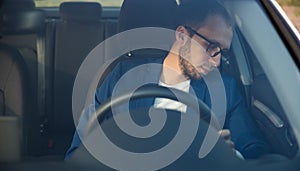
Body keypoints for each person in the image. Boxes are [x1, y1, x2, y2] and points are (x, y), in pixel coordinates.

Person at [65, 1, 270, 160]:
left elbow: (256, 152)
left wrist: (230, 156)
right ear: (182, 36)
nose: (216, 62)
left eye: (221, 53)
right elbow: (78, 151)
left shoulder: (225, 89)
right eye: (211, 47)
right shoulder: (122, 77)